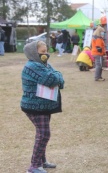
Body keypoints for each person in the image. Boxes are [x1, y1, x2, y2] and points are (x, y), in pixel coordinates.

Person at [21, 41, 64, 173]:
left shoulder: (42, 64)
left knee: (42, 133)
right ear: (34, 53)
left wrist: (57, 76)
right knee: (44, 134)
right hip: (34, 106)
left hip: (44, 105)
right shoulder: (32, 66)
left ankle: (42, 161)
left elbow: (60, 80)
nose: (46, 54)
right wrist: (58, 75)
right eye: (43, 52)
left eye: (46, 51)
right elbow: (52, 79)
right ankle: (33, 166)